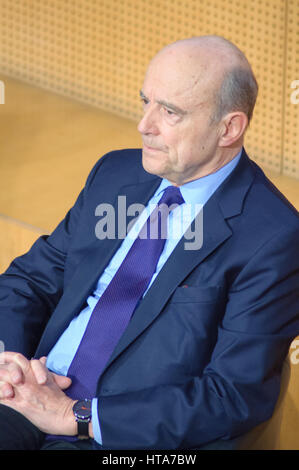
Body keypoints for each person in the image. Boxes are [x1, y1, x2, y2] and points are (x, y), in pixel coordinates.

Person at [0, 35, 298, 451]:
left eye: (170, 112)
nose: (145, 125)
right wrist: (8, 363)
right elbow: (30, 279)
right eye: (146, 102)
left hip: (121, 438)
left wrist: (76, 416)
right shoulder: (115, 174)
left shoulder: (273, 237)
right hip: (29, 392)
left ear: (229, 127)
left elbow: (232, 394)